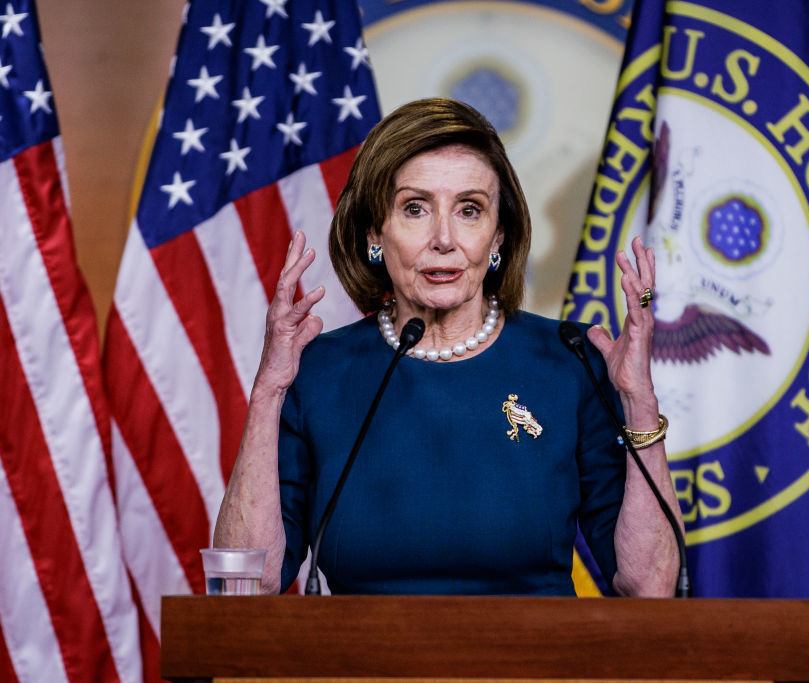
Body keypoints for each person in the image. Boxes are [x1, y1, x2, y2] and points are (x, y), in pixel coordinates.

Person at [213, 98, 682, 597]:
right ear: (376, 232)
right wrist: (268, 393)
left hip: (535, 669)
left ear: (498, 237)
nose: (444, 239)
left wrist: (638, 401)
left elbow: (649, 584)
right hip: (363, 670)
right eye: (415, 208)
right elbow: (244, 585)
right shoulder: (319, 371)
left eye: (469, 210)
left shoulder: (570, 362)